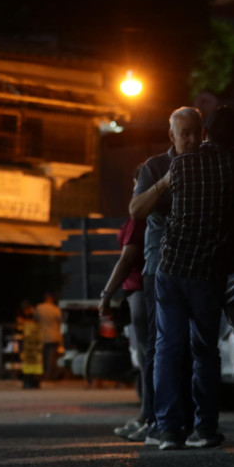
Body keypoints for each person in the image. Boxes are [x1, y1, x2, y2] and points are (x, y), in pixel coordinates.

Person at [149, 106, 234, 451]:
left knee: (168, 348)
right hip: (208, 273)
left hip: (171, 267)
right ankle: (206, 428)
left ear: (205, 133)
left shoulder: (180, 164)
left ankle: (168, 430)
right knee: (205, 351)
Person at [128, 106, 204, 444]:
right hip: (159, 267)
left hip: (198, 266)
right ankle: (159, 421)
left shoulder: (209, 163)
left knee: (194, 348)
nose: (192, 140)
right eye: (184, 134)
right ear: (171, 136)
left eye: (197, 133)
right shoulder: (155, 166)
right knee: (163, 346)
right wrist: (164, 183)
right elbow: (136, 211)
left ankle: (187, 422)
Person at [100, 168, 148, 439]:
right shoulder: (140, 214)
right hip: (137, 292)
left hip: (140, 290)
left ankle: (150, 416)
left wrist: (107, 293)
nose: (133, 189)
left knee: (147, 357)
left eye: (136, 183)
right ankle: (147, 415)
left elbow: (127, 258)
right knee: (145, 357)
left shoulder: (140, 216)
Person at [34, 292, 63, 381]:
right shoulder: (56, 309)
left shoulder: (39, 308)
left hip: (42, 335)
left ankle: (43, 374)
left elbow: (35, 320)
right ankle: (49, 375)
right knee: (51, 357)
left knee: (43, 356)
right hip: (54, 336)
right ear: (52, 299)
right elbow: (61, 321)